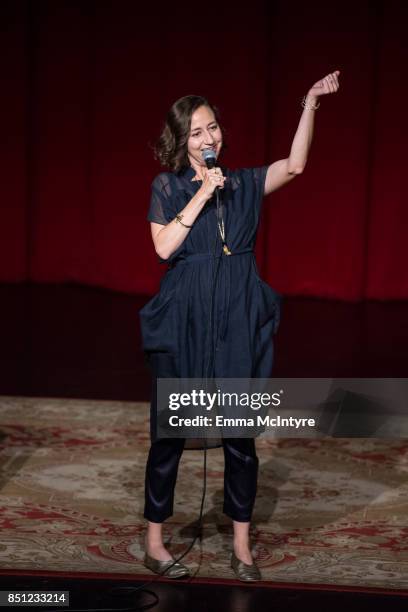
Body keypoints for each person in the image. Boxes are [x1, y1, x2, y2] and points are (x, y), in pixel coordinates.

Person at [139, 71, 340, 582]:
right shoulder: (168, 187)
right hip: (184, 317)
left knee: (239, 435)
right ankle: (155, 542)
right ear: (182, 142)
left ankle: (242, 545)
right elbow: (164, 249)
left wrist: (310, 103)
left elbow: (295, 166)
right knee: (171, 434)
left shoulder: (245, 183)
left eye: (214, 128)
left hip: (238, 316)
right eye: (198, 133)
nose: (210, 139)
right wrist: (203, 194)